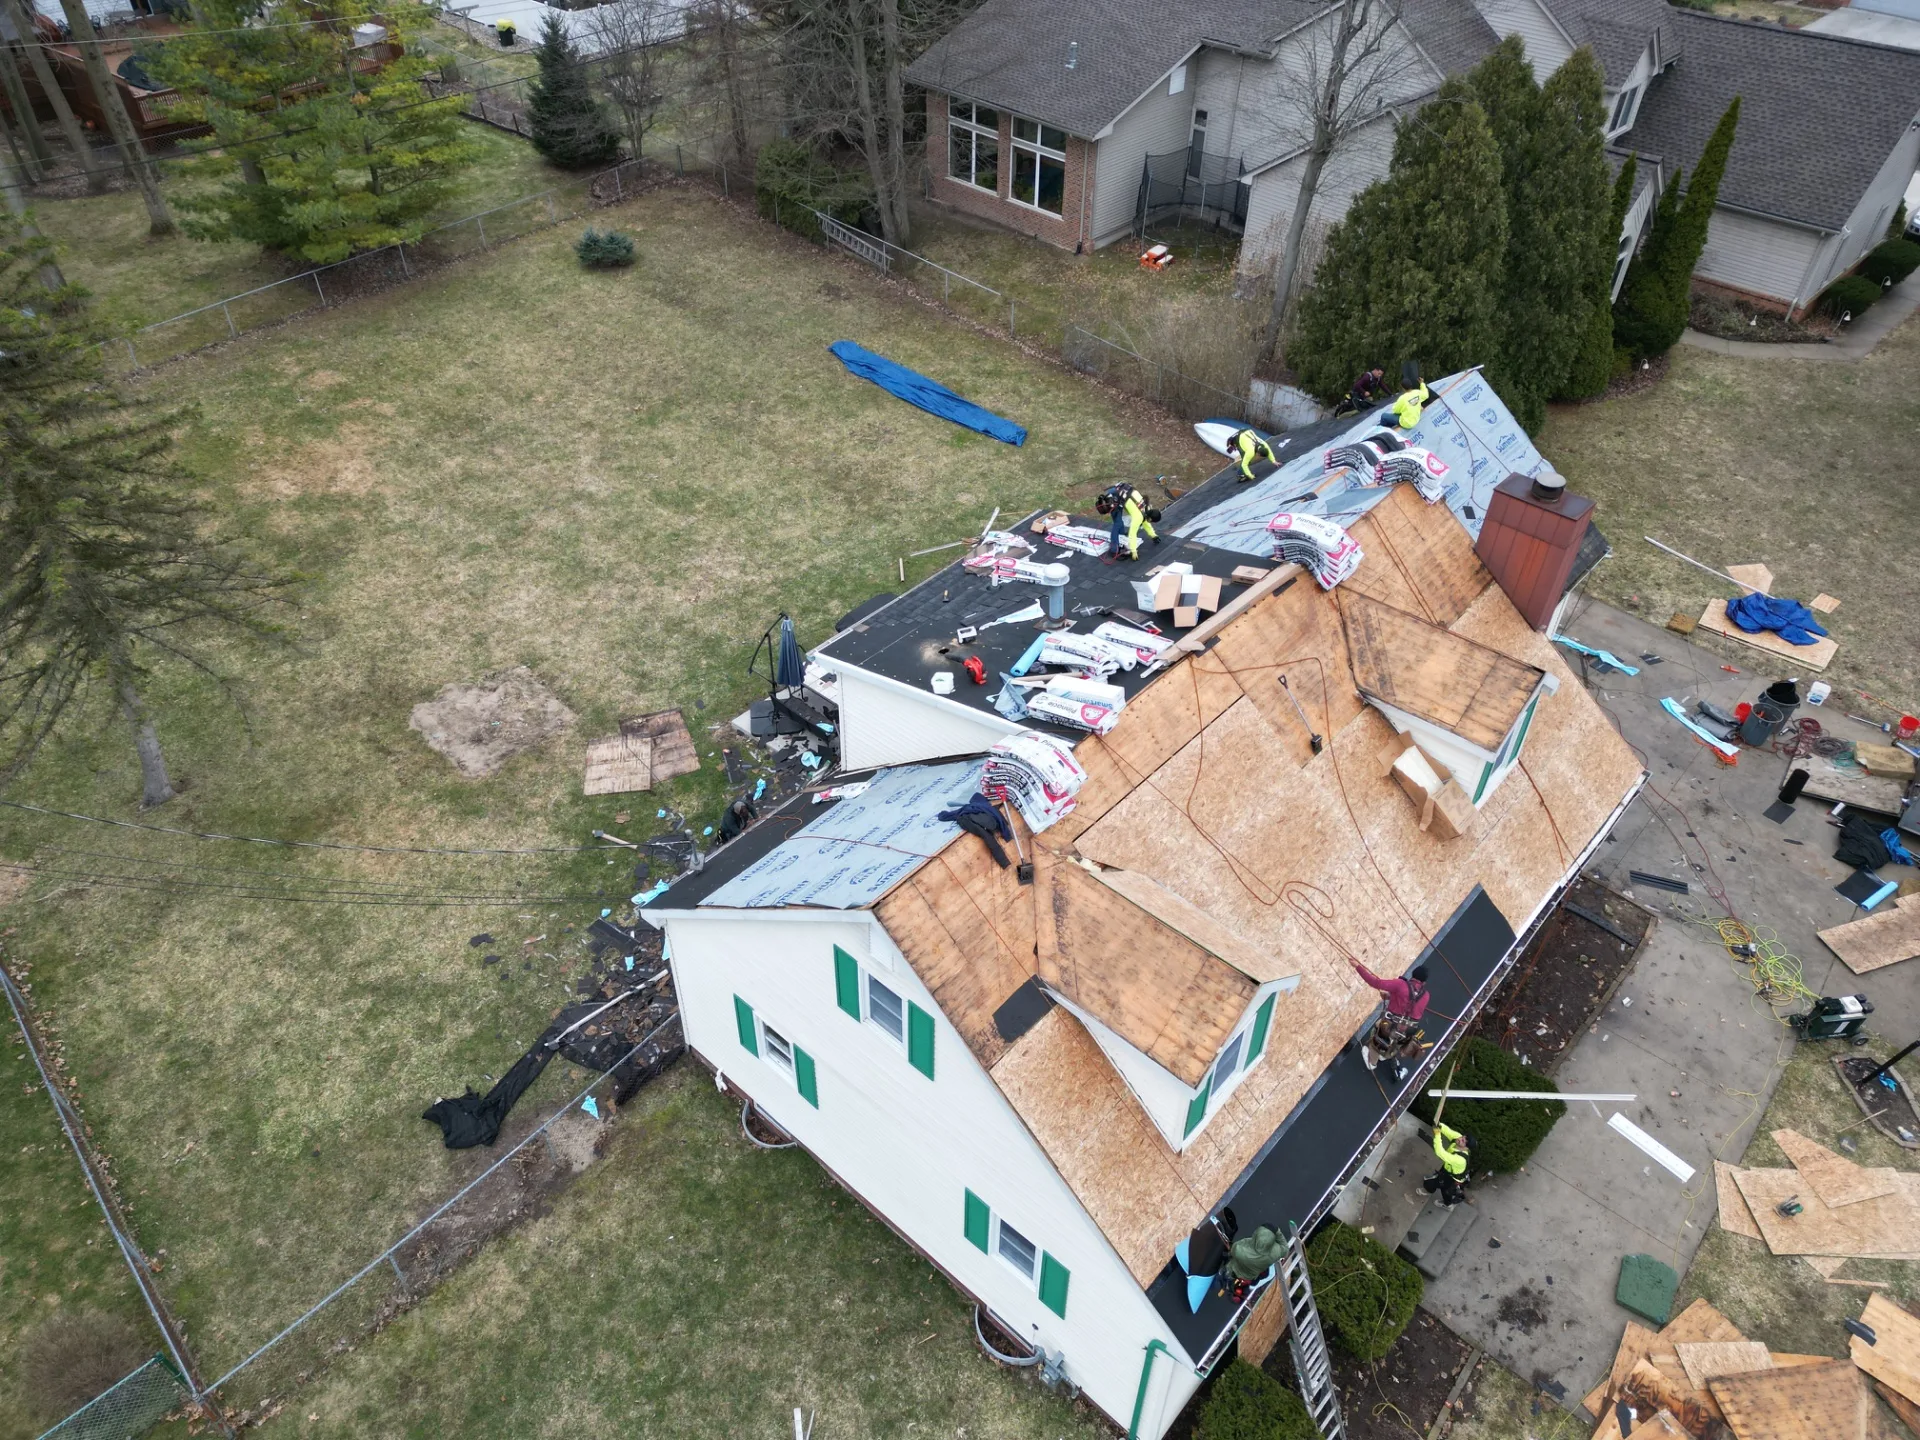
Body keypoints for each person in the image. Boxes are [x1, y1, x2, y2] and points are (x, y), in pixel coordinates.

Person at [1349, 959, 1429, 1074]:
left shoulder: (1400, 984)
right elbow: (1410, 1007)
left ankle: (1372, 1062)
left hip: (1391, 1026)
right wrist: (1390, 997)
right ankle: (1385, 1055)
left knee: (1378, 1036)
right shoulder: (1426, 995)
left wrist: (1357, 966)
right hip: (1409, 1031)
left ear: (1413, 974)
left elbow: (1375, 982)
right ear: (1424, 982)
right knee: (1397, 1041)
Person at [1095, 482, 1161, 561]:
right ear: (1150, 518)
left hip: (1121, 493)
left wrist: (1154, 536)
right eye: (1151, 521)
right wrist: (1133, 551)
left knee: (1119, 522)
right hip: (1114, 497)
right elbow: (1132, 534)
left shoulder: (1148, 508)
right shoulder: (1138, 517)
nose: (1150, 522)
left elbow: (1145, 522)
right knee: (1118, 523)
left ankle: (1121, 537)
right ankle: (1114, 550)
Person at [1422, 1123, 1472, 1206]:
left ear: (1466, 1148)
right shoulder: (1458, 1139)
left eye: (1463, 1141)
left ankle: (1446, 1203)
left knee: (1443, 1189)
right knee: (1443, 1186)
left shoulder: (1460, 1159)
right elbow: (1449, 1132)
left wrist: (1437, 1134)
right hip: (1447, 1168)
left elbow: (1440, 1152)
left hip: (1452, 1178)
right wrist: (1439, 1125)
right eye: (1462, 1137)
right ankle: (1436, 1184)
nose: (1460, 1138)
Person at [1384, 364, 1429, 430]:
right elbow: (1426, 394)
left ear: (1403, 388)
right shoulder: (1417, 393)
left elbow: (1395, 411)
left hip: (1407, 423)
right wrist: (1422, 383)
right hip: (1416, 419)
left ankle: (1383, 431)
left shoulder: (1402, 398)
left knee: (1384, 416)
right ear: (1411, 385)